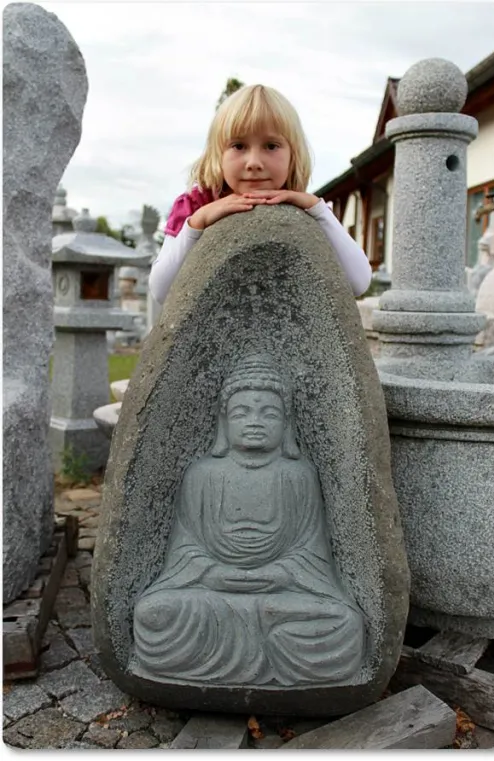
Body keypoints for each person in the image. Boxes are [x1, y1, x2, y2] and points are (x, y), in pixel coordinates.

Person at [132, 354, 366, 687]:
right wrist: (213, 573)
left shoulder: (299, 477)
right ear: (223, 421)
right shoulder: (202, 476)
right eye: (242, 412)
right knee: (153, 612)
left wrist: (278, 574)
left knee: (344, 622)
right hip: (211, 590)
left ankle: (249, 651)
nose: (254, 421)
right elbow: (185, 549)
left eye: (269, 413)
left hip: (281, 591)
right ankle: (268, 653)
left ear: (286, 424)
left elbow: (310, 552)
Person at [149, 85, 372, 306]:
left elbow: (359, 282)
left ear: (292, 155)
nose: (254, 162)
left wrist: (318, 210)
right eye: (238, 146)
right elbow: (161, 292)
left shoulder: (301, 208)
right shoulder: (196, 204)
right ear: (218, 154)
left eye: (271, 146)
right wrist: (198, 222)